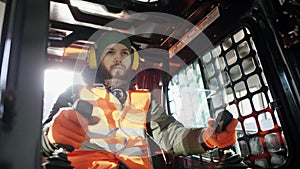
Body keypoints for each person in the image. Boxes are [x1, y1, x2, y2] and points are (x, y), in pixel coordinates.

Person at [41, 30, 238, 169]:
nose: (119, 58)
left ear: (133, 61)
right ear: (95, 59)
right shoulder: (74, 93)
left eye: (124, 53)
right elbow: (40, 142)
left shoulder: (144, 100)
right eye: (110, 52)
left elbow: (171, 134)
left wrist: (207, 138)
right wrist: (52, 135)